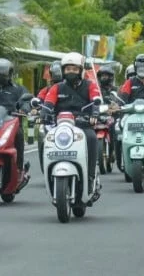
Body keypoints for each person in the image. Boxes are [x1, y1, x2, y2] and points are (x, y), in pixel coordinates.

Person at [41, 52, 102, 193]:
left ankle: (90, 175)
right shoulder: (56, 88)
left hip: (83, 124)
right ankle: (50, 174)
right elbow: (49, 103)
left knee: (92, 138)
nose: (71, 72)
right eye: (68, 69)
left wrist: (95, 113)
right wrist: (43, 113)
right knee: (47, 141)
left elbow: (96, 100)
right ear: (63, 71)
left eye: (74, 69)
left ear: (80, 71)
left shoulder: (90, 85)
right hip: (61, 126)